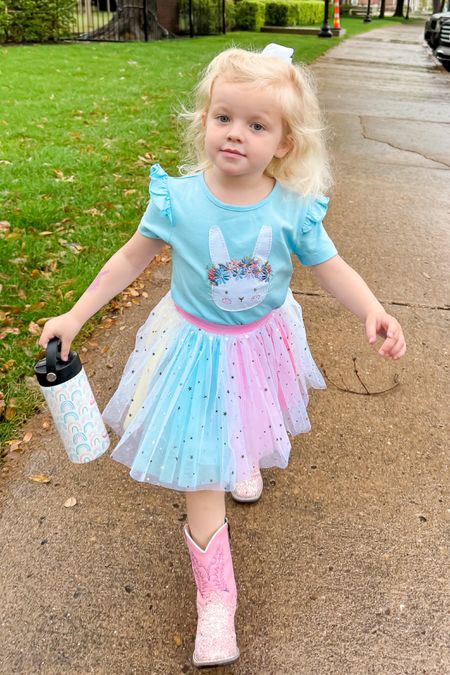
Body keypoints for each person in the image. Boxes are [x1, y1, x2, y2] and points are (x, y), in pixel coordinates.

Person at [39, 44, 406, 668]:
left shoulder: (292, 208)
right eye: (224, 117)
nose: (236, 134)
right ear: (204, 120)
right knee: (202, 471)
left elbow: (330, 266)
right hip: (193, 348)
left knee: (246, 420)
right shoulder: (178, 200)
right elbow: (131, 257)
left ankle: (245, 458)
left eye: (257, 125)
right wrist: (76, 313)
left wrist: (370, 308)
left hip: (259, 341)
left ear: (285, 143)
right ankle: (217, 600)